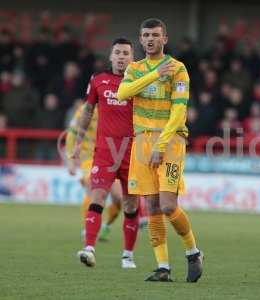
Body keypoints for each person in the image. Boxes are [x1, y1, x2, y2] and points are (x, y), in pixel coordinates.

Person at [117, 18, 203, 282]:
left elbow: (179, 112)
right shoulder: (134, 68)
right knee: (151, 206)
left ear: (164, 39)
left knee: (167, 205)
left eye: (155, 35)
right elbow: (123, 93)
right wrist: (155, 74)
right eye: (146, 35)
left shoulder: (178, 69)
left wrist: (161, 144)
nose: (150, 39)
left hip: (171, 141)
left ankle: (193, 252)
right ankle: (163, 267)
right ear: (141, 40)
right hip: (141, 141)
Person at [72, 37, 140, 269]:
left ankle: (127, 256)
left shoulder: (140, 81)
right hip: (105, 153)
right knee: (98, 197)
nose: (121, 57)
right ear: (111, 56)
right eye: (118, 53)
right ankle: (89, 248)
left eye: (126, 53)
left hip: (132, 153)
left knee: (130, 205)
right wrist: (78, 144)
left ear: (132, 58)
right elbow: (87, 110)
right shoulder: (98, 80)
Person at [65, 101, 123, 241]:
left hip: (110, 156)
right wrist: (71, 160)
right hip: (89, 158)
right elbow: (71, 134)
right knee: (92, 188)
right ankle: (88, 228)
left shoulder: (117, 107)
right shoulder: (85, 109)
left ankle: (106, 226)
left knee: (119, 198)